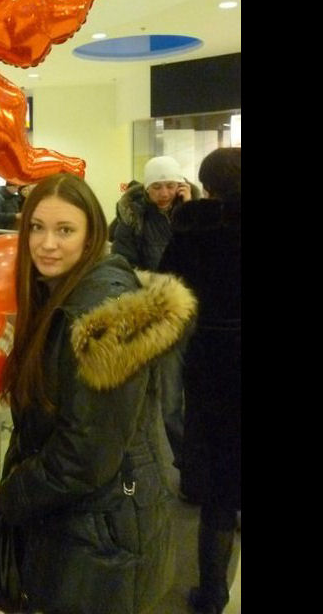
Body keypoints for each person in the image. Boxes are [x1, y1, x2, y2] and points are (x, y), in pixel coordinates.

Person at [0, 173, 196, 614]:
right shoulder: (60, 294)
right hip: (84, 523)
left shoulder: (100, 317)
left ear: (90, 237)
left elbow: (86, 454)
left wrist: (15, 494)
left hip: (100, 531)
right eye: (37, 228)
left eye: (65, 230)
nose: (47, 244)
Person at [158, 148, 240, 614]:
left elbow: (166, 291)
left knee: (220, 492)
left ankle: (211, 594)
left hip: (213, 364)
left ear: (206, 186)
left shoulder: (192, 231)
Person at [111, 155, 200, 471]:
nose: (164, 193)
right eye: (157, 187)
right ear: (146, 189)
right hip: (162, 314)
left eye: (171, 185)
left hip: (199, 314)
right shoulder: (134, 218)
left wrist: (188, 211)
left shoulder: (196, 212)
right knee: (170, 397)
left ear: (182, 185)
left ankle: (198, 458)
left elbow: (204, 256)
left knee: (201, 394)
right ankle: (183, 461)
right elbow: (123, 264)